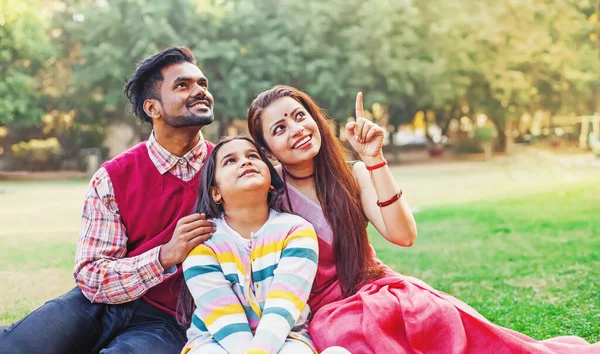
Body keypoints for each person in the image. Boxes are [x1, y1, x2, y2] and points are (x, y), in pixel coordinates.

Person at [246, 85, 600, 354]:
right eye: (278, 129)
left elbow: (403, 235)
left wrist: (374, 160)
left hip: (377, 287)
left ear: (314, 118)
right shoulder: (268, 198)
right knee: (351, 339)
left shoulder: (352, 176)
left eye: (299, 116)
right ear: (265, 149)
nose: (295, 129)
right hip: (327, 312)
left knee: (437, 316)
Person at [0, 46, 216, 354]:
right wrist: (164, 256)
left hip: (168, 319)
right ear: (152, 107)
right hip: (97, 305)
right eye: (183, 85)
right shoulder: (112, 176)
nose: (200, 92)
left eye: (202, 84)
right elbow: (92, 275)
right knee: (14, 347)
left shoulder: (226, 168)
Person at [179, 136, 349, 354]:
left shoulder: (296, 231)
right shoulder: (203, 241)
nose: (245, 162)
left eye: (252, 156)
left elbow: (283, 307)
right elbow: (224, 318)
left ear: (270, 181)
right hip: (215, 339)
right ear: (215, 192)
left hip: (286, 335)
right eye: (230, 160)